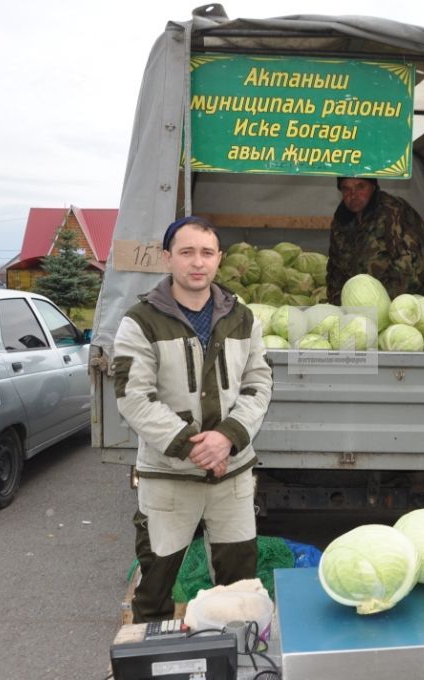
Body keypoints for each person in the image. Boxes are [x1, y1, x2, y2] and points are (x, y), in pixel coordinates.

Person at [113, 215, 273, 623]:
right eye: (186, 252)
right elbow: (134, 396)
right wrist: (193, 446)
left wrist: (227, 438)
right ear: (168, 258)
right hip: (168, 478)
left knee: (239, 586)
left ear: (219, 259)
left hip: (231, 475)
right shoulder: (140, 321)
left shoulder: (243, 317)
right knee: (155, 588)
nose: (197, 262)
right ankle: (153, 660)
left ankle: (233, 658)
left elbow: (258, 383)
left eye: (206, 253)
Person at [326, 176, 424, 304]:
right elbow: (335, 270)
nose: (353, 195)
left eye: (360, 187)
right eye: (346, 189)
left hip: (403, 305)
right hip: (358, 307)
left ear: (373, 186)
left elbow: (412, 268)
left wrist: (380, 304)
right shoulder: (341, 220)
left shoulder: (394, 211)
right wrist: (340, 303)